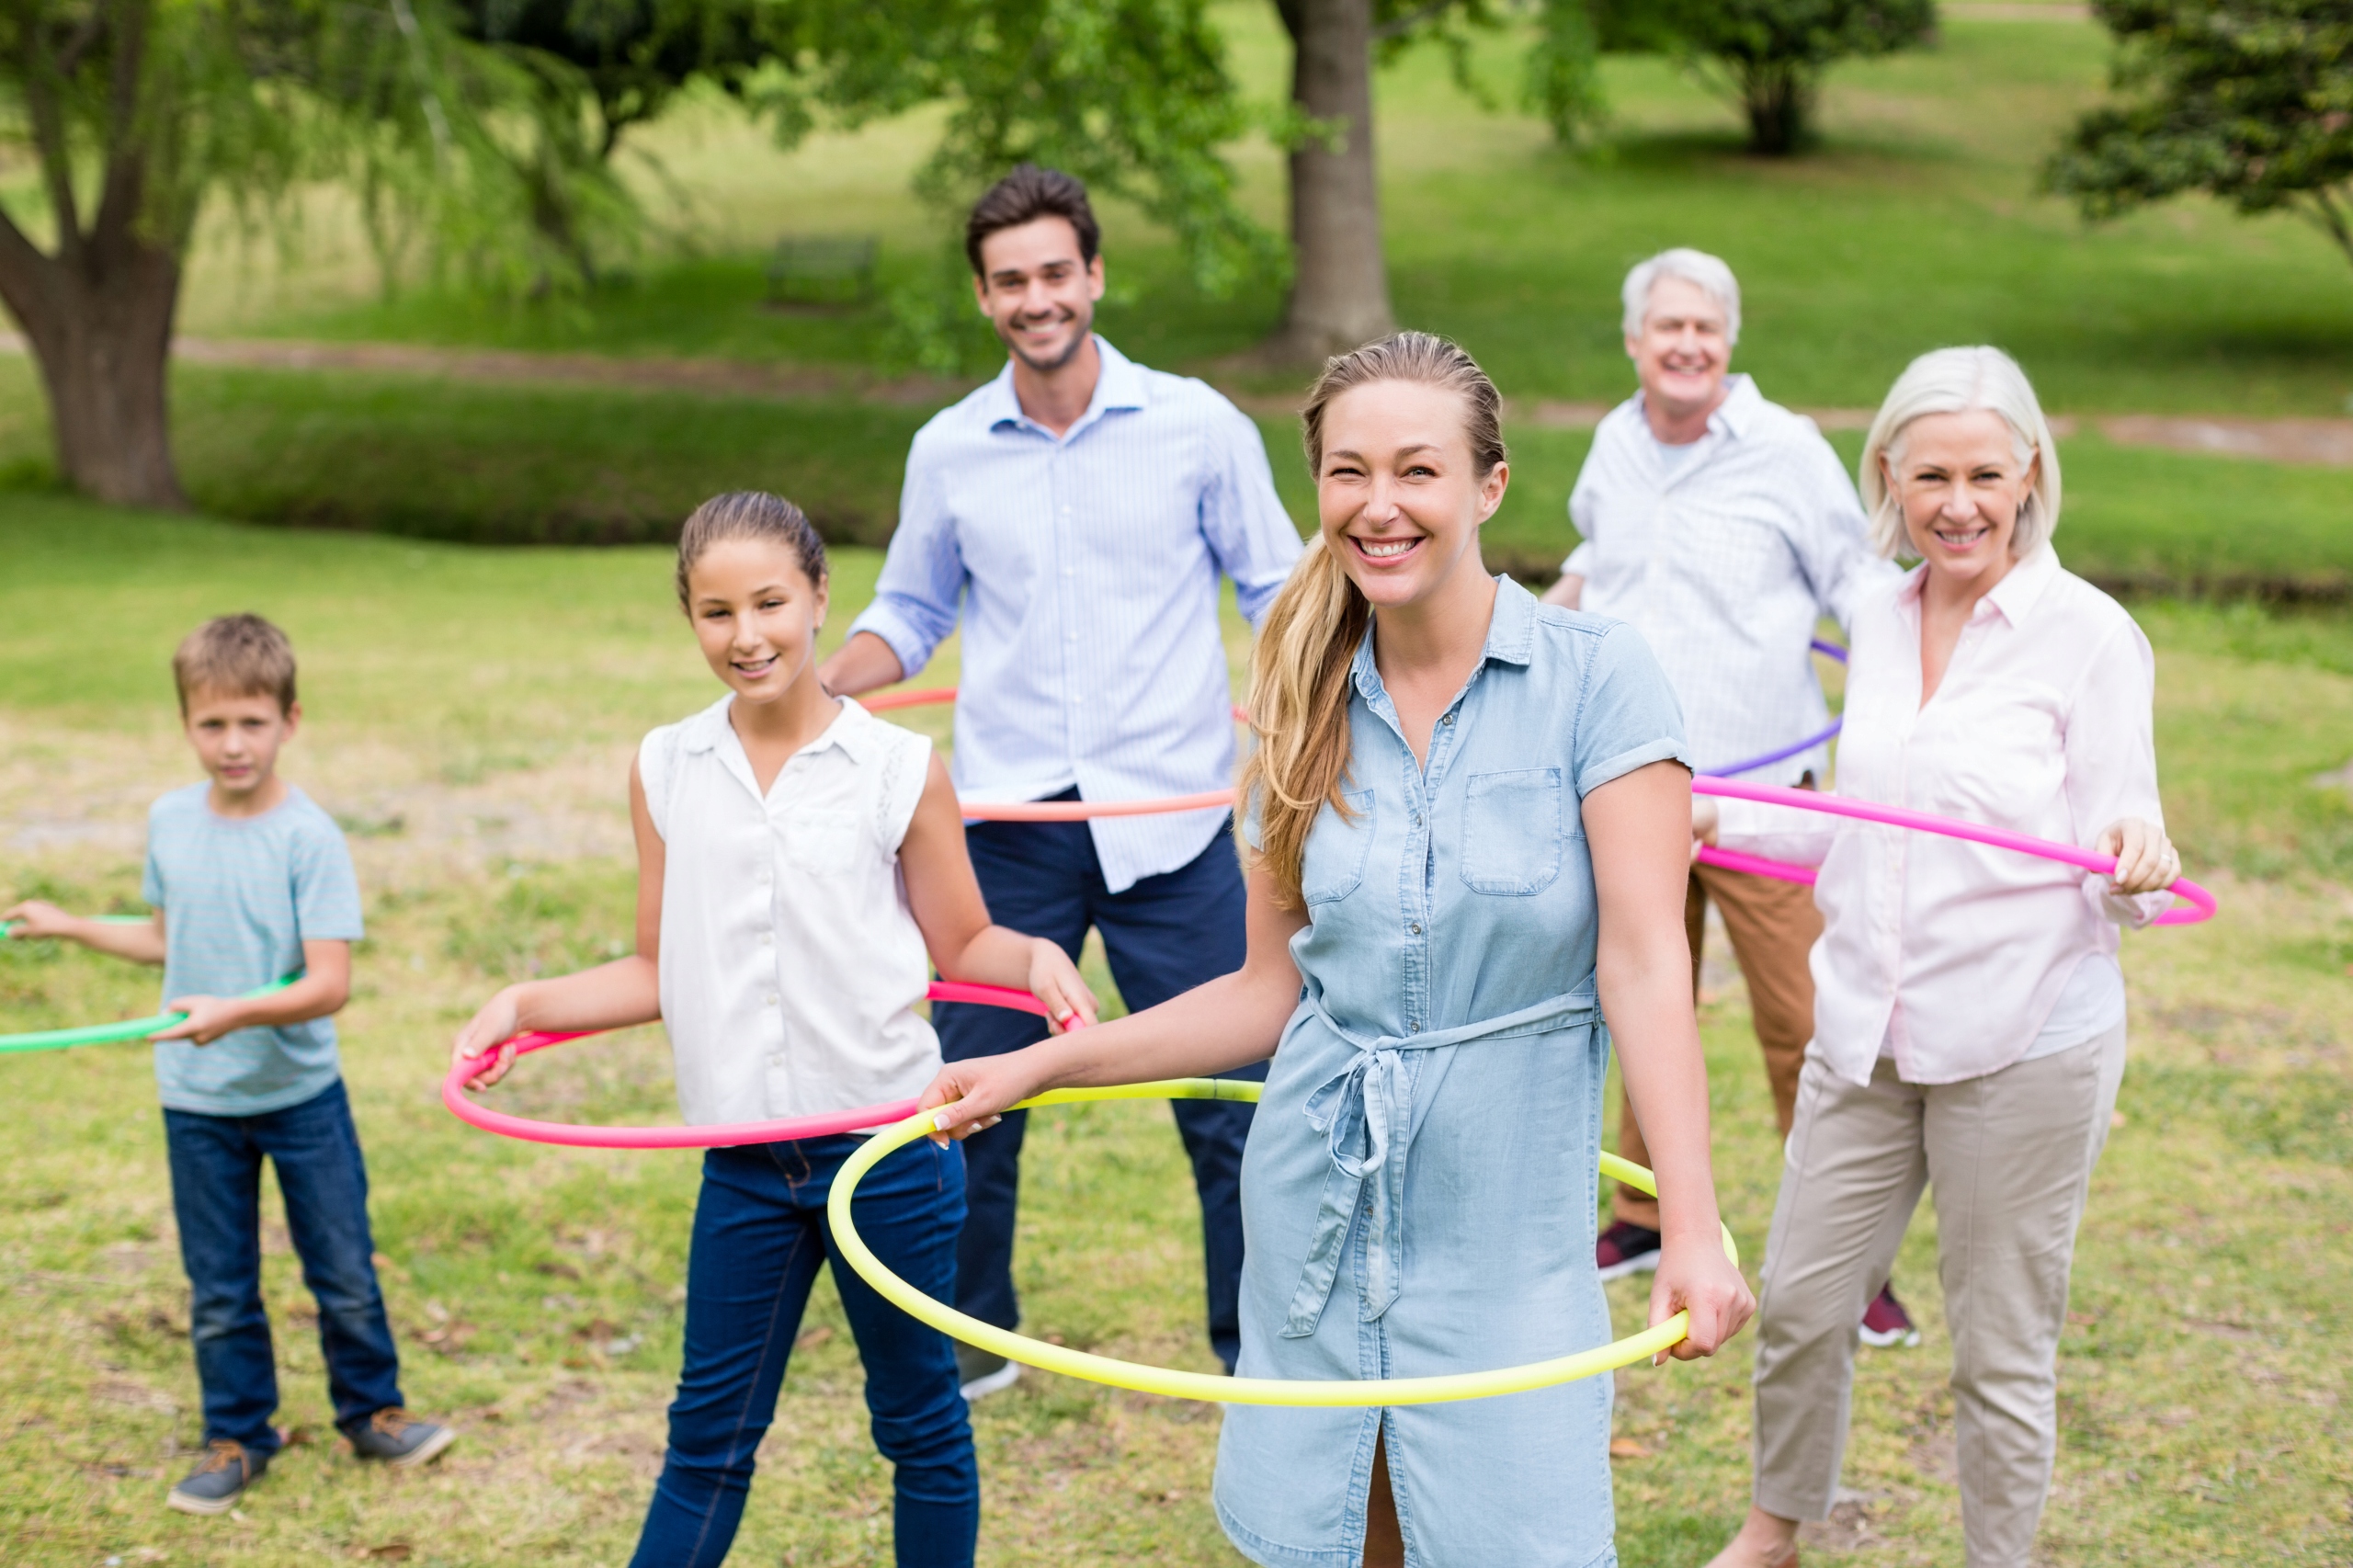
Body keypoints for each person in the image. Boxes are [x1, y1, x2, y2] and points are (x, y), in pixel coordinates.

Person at [920, 333, 1754, 1568]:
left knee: (1515, 1531)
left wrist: (1688, 1217)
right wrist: (1044, 1065)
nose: (1380, 506)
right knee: (1342, 1532)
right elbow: (1269, 992)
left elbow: (1642, 969)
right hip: (1316, 1193)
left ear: (1490, 484)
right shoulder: (1299, 704)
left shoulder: (1600, 681)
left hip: (1504, 1219)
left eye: (1418, 471)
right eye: (1348, 472)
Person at [451, 494, 1096, 1568]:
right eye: (715, 611)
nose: (745, 635)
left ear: (817, 598)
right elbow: (660, 965)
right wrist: (524, 1003)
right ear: (689, 618)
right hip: (745, 1159)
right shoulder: (666, 765)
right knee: (706, 1436)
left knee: (919, 1423)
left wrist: (1034, 959)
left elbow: (964, 941)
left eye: (768, 603)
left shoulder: (897, 768)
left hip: (889, 1149)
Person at [817, 164, 1303, 1391]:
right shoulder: (949, 449)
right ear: (984, 298)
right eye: (1009, 280)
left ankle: (1257, 1353)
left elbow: (1278, 590)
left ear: (1093, 275)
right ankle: (968, 1342)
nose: (1036, 298)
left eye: (1053, 272)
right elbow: (914, 605)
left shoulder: (1199, 426)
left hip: (1179, 826)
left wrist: (1310, 718)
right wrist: (820, 690)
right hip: (1008, 832)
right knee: (970, 1097)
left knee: (1234, 1100)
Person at [1697, 347, 2180, 1568]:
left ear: (2028, 474)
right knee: (1803, 1303)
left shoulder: (2091, 638)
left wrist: (2136, 855)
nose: (1958, 502)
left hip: (2021, 1036)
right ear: (1891, 482)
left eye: (1983, 473)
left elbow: (2123, 840)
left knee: (2003, 1342)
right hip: (1864, 1023)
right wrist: (1721, 817)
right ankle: (1774, 1529)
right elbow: (1865, 819)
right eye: (1930, 476)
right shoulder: (1875, 612)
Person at [1540, 248, 1916, 1346]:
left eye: (1705, 327)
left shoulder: (1787, 452)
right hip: (1633, 793)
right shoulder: (1615, 443)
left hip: (1763, 799)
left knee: (1807, 1029)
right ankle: (1642, 1215)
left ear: (1729, 339)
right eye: (1667, 327)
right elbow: (1597, 569)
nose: (1686, 345)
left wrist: (1905, 712)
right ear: (1634, 341)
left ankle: (1852, 1264)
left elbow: (1861, 592)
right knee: (1642, 1004)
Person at [3, 615, 454, 1517]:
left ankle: (372, 1412)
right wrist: (72, 925)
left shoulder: (309, 837)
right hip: (197, 1100)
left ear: (291, 719)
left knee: (342, 1266)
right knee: (218, 1282)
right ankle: (240, 1433)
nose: (233, 743)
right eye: (213, 725)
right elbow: (167, 937)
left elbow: (329, 983)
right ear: (186, 726)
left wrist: (234, 1009)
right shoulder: (170, 819)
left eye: (252, 721)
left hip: (299, 1096)